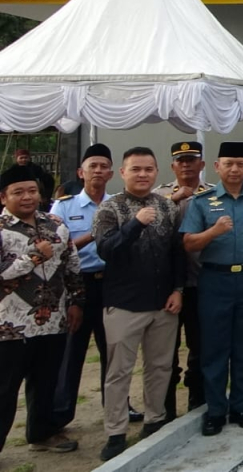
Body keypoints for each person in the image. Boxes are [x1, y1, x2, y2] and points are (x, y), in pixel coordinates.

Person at [180, 141, 243, 436]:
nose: (235, 169)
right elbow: (188, 243)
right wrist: (213, 231)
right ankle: (215, 410)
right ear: (216, 167)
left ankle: (241, 406)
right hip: (215, 279)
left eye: (240, 164)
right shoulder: (202, 201)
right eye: (228, 164)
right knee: (215, 347)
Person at [94, 147, 185, 460]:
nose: (143, 174)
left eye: (148, 169)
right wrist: (135, 223)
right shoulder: (110, 208)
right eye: (136, 169)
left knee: (160, 366)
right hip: (124, 304)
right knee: (119, 371)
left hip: (163, 303)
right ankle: (115, 431)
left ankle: (154, 420)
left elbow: (177, 253)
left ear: (157, 172)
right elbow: (106, 250)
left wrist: (178, 290)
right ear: (123, 173)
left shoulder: (167, 206)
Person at [0, 164, 84, 455]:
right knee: (4, 390)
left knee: (46, 382)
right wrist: (35, 256)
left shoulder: (55, 224)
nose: (27, 197)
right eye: (18, 192)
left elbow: (72, 266)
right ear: (3, 197)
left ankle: (42, 433)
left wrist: (77, 302)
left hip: (53, 320)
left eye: (32, 191)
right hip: (9, 325)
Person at [51, 144, 117, 430]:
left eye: (104, 166)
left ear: (111, 173)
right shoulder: (64, 206)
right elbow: (56, 249)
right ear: (81, 172)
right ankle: (60, 414)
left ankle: (116, 407)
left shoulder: (118, 204)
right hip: (78, 286)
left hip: (112, 284)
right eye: (93, 166)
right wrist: (93, 235)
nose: (98, 171)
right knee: (72, 352)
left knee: (113, 350)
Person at [157, 141, 213, 420]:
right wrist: (174, 199)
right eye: (181, 160)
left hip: (202, 281)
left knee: (200, 346)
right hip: (167, 286)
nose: (186, 165)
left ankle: (197, 401)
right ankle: (165, 409)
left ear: (202, 164)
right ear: (173, 166)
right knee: (165, 350)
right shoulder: (159, 195)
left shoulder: (213, 195)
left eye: (192, 160)